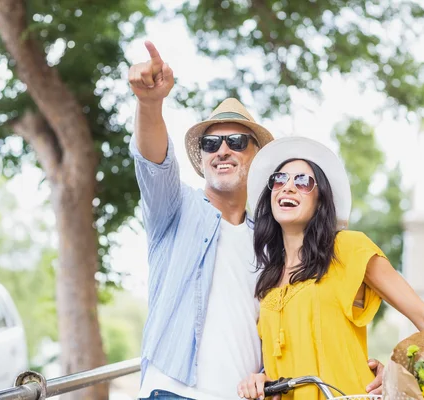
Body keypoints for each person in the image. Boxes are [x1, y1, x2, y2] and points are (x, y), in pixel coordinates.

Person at [128, 41, 385, 400]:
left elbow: (304, 318)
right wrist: (149, 104)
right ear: (202, 158)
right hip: (174, 392)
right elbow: (154, 163)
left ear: (257, 157)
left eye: (236, 141)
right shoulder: (174, 209)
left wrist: (366, 366)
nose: (222, 150)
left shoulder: (273, 239)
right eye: (211, 143)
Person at [237, 136, 424, 399]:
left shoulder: (347, 248)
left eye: (302, 181)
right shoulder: (267, 282)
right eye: (279, 179)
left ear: (320, 200)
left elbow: (423, 316)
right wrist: (260, 378)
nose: (288, 187)